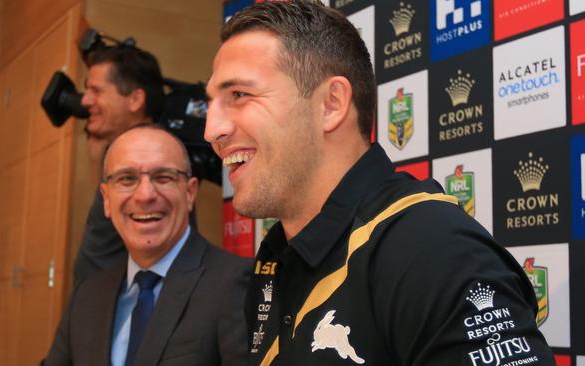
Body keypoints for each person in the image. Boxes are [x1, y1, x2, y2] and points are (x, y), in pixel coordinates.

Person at [204, 2, 555, 365]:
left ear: (331, 104)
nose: (212, 130)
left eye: (240, 95)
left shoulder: (430, 251)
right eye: (212, 103)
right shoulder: (275, 260)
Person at [45, 125, 251, 366]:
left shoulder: (236, 283)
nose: (145, 195)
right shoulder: (87, 294)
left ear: (190, 193)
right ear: (106, 199)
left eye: (163, 177)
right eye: (126, 179)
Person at [75, 45, 165, 284]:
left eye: (96, 91)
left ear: (135, 99)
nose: (85, 100)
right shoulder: (123, 157)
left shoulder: (153, 157)